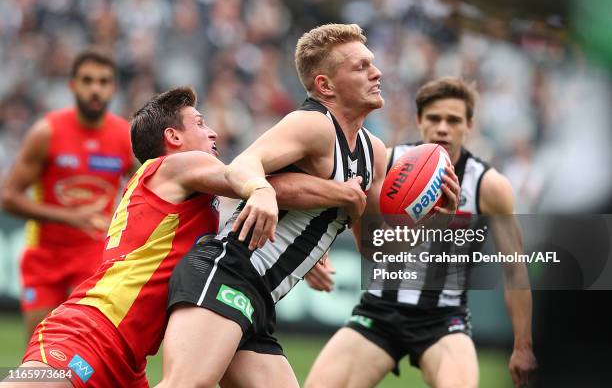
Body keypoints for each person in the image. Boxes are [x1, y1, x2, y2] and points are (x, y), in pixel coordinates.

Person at [0, 86, 367, 388]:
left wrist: (308, 247)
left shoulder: (183, 191)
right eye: (200, 123)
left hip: (130, 362)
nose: (213, 132)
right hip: (89, 332)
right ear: (172, 137)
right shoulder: (176, 164)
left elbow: (248, 207)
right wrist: (265, 190)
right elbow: (244, 177)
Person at [158, 24, 461, 388]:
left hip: (259, 297)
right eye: (360, 67)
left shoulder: (374, 153)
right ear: (326, 86)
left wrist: (429, 221)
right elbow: (241, 166)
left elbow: (374, 249)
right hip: (228, 271)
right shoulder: (312, 124)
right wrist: (279, 193)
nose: (376, 72)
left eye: (373, 64)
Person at [305, 77, 538, 388]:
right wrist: (316, 255)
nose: (442, 127)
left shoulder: (489, 185)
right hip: (379, 310)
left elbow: (515, 270)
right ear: (419, 121)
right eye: (434, 118)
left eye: (453, 120)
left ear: (468, 125)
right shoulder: (384, 161)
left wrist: (523, 346)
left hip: (443, 319)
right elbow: (341, 205)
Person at [0, 50, 134, 339]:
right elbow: (8, 197)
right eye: (87, 80)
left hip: (92, 254)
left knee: (82, 344)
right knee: (39, 350)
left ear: (113, 88)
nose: (95, 89)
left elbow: (145, 187)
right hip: (44, 255)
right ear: (72, 85)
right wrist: (69, 217)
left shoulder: (124, 137)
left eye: (103, 81)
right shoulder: (46, 132)